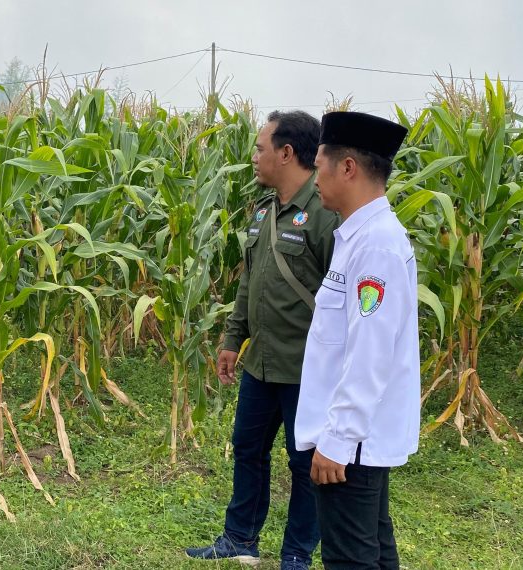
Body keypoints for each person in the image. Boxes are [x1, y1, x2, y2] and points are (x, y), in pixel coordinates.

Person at [186, 110, 337, 570]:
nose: (253, 157)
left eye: (259, 148)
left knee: (302, 463)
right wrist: (234, 339)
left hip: (305, 369)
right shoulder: (264, 212)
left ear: (286, 153)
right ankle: (240, 538)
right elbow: (248, 283)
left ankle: (296, 552)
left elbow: (343, 298)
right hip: (261, 364)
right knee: (247, 447)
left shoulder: (324, 216)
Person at [296, 111, 419, 570]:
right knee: (374, 552)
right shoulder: (360, 237)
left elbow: (370, 353)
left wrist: (339, 440)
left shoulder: (376, 246)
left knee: (351, 558)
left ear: (347, 168)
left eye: (320, 165)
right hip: (357, 440)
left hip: (353, 445)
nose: (316, 177)